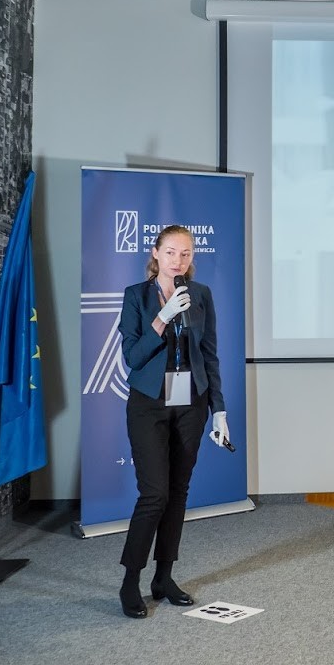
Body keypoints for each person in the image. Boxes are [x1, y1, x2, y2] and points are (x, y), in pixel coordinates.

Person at [116, 225, 230, 618]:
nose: (178, 260)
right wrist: (162, 318)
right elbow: (132, 356)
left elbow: (209, 355)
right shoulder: (136, 296)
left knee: (178, 492)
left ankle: (163, 578)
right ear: (156, 253)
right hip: (148, 404)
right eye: (170, 252)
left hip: (191, 404)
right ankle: (130, 581)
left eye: (185, 254)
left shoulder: (201, 294)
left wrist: (219, 410)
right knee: (154, 495)